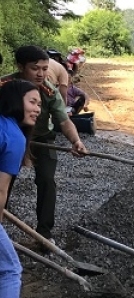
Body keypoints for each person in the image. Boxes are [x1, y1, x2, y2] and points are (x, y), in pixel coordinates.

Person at [3, 45, 87, 243]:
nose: (41, 74)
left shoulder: (49, 91)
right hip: (11, 139)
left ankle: (44, 234)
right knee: (5, 180)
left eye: (44, 68)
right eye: (35, 68)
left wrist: (76, 141)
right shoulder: (5, 86)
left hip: (42, 139)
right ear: (20, 66)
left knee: (47, 180)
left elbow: (64, 121)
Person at [0, 79, 44, 298]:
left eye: (39, 104)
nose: (37, 109)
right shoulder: (13, 136)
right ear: (16, 103)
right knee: (9, 269)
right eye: (32, 102)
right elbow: (1, 190)